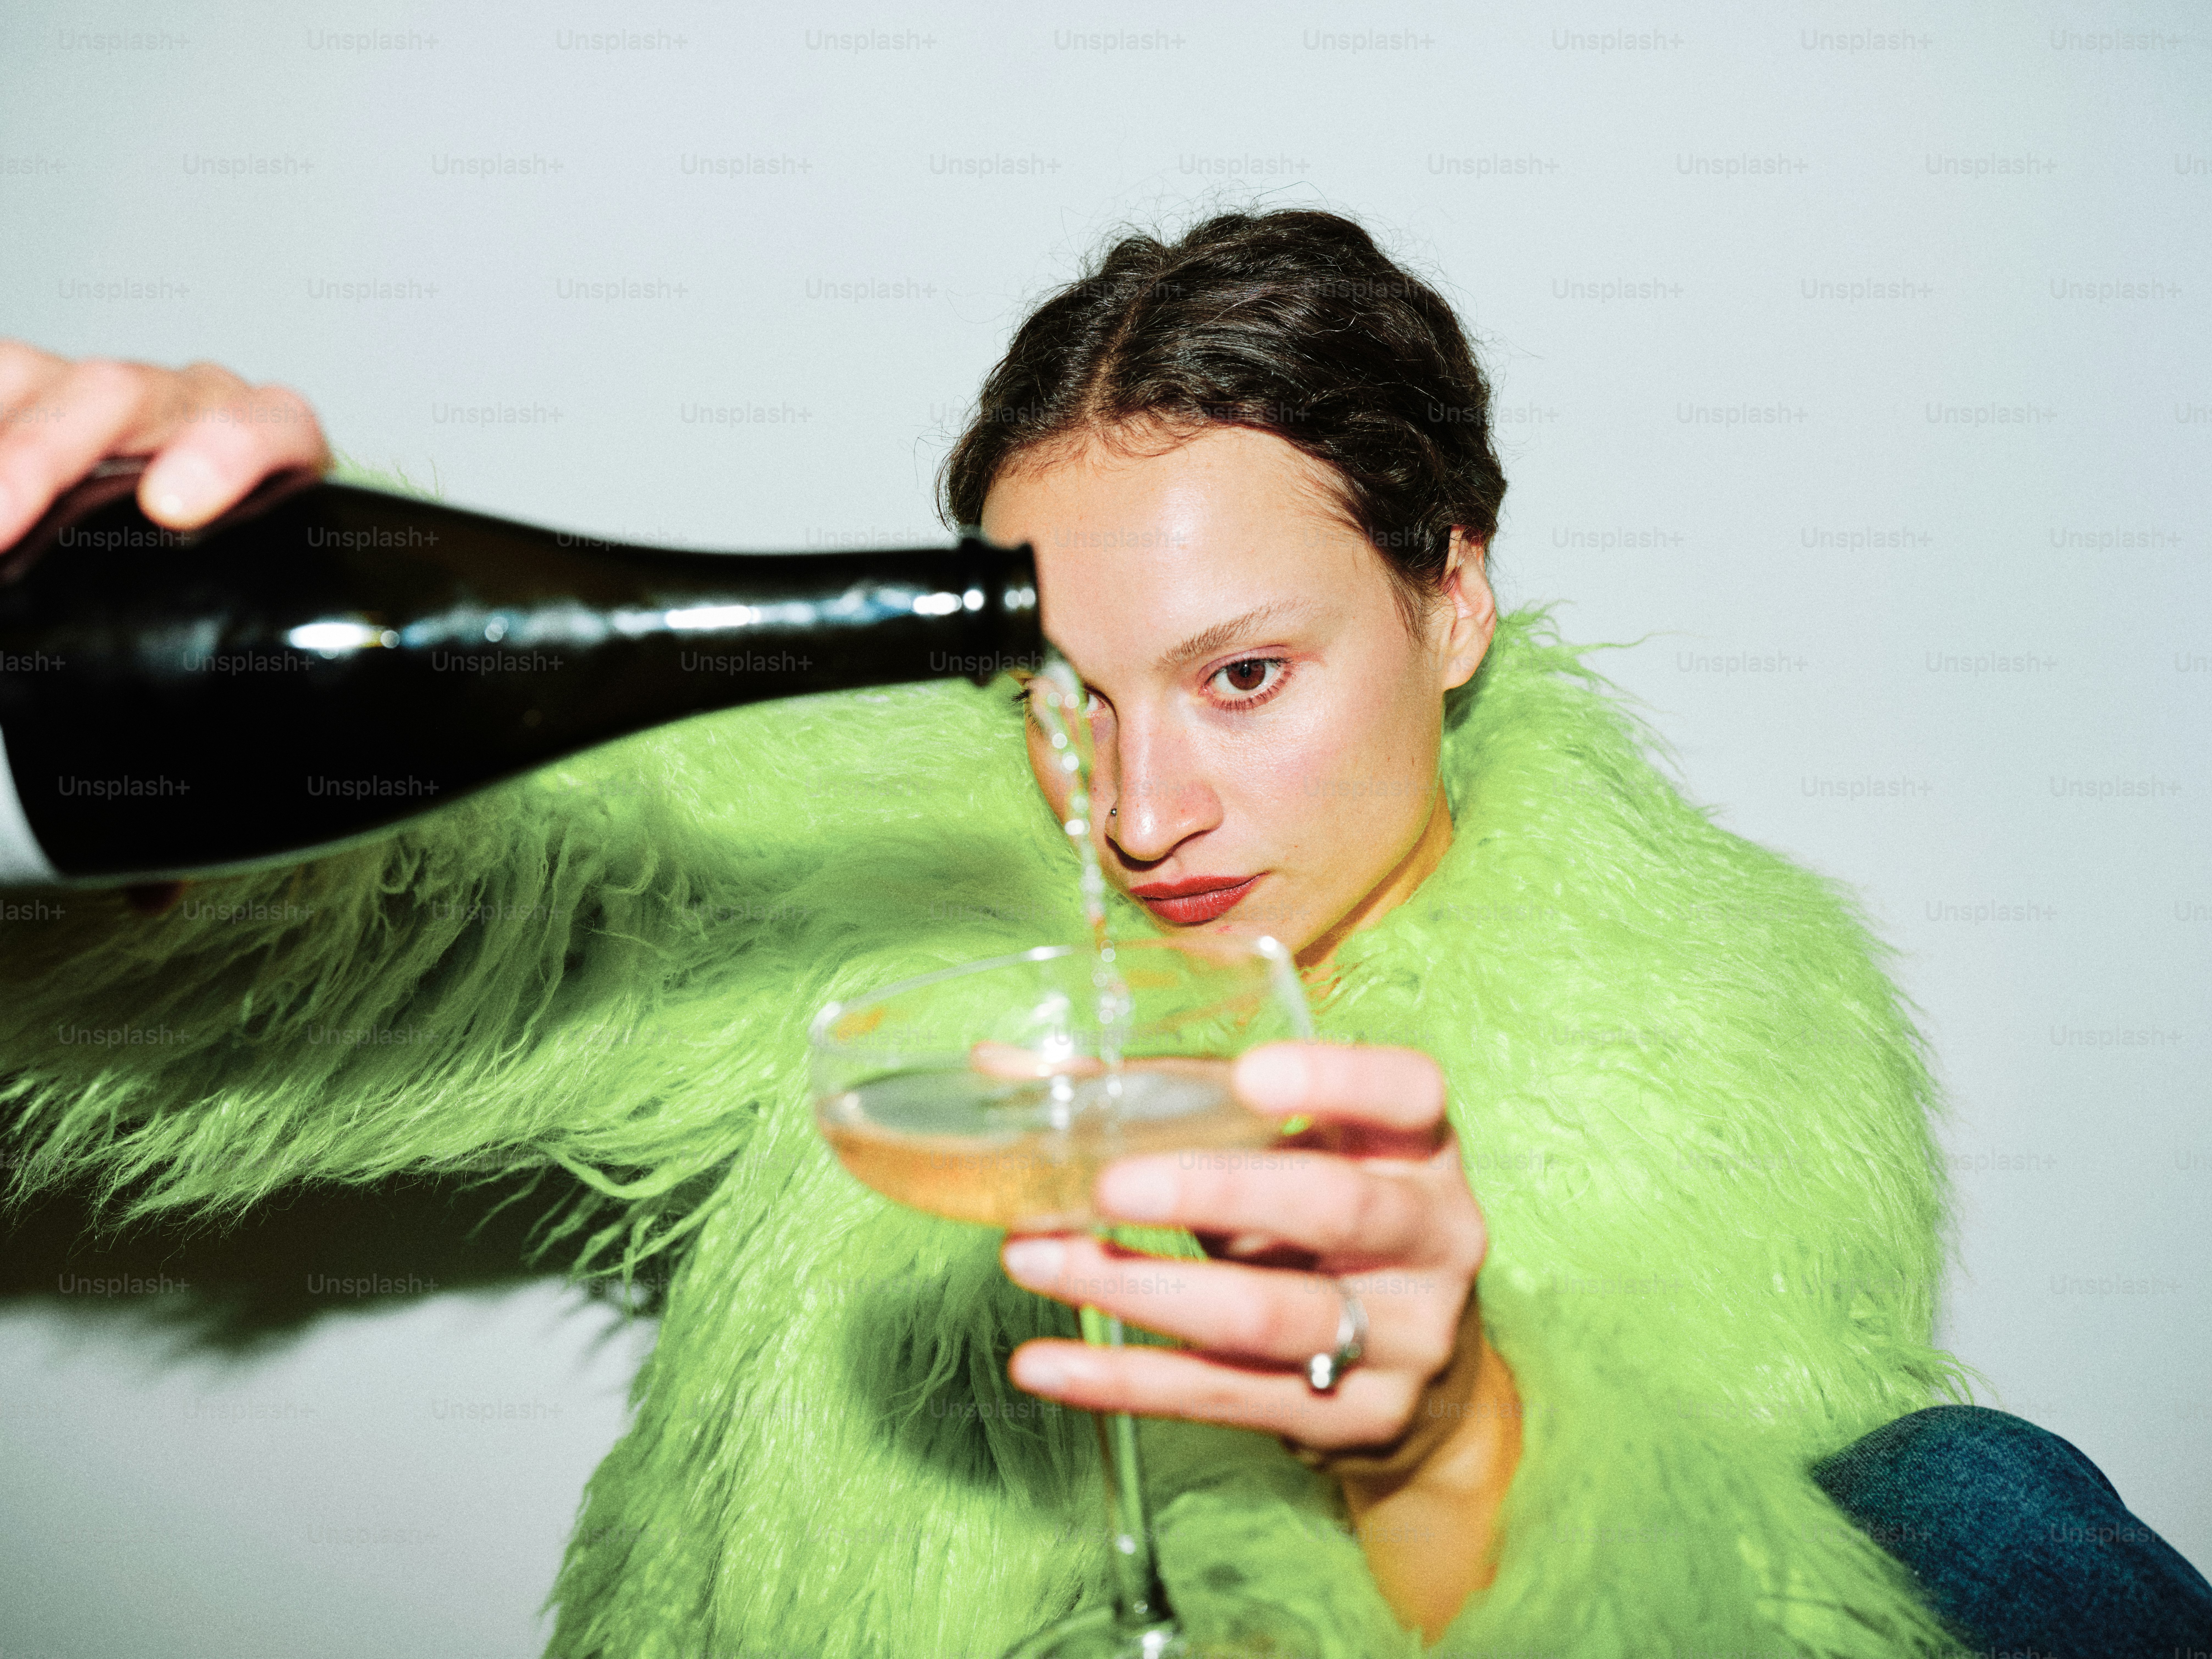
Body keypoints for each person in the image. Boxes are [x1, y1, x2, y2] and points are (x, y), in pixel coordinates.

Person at [1, 210, 2206, 1658]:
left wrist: (1448, 1445)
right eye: (1063, 694)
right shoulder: (869, 897)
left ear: (1448, 594)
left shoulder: (1732, 1027)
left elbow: (1739, 1605)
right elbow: (398, 965)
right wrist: (175, 767)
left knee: (1975, 1501)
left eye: (1243, 673)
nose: (1133, 810)